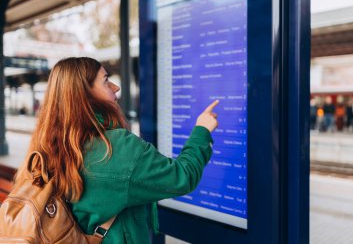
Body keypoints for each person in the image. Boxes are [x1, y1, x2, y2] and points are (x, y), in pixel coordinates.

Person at [14, 57, 219, 244]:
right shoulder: (115, 148)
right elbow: (181, 177)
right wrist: (202, 130)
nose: (116, 87)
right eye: (105, 81)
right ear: (84, 93)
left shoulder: (47, 145)